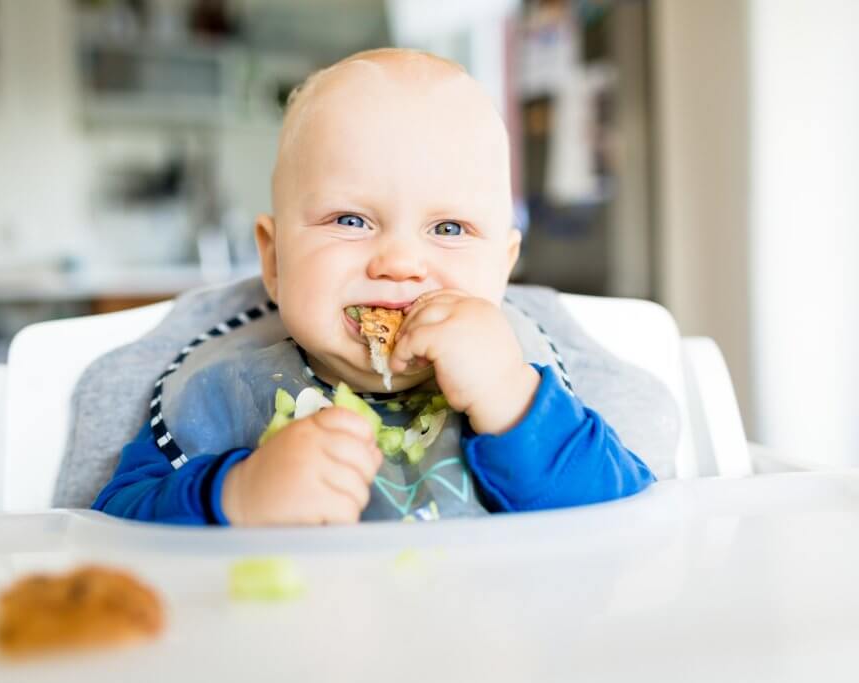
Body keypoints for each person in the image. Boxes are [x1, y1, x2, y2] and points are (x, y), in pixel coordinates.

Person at [90, 48, 657, 526]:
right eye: (351, 220)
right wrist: (235, 495)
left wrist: (510, 401)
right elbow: (115, 524)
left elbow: (625, 523)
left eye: (450, 228)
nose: (400, 262)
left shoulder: (528, 389)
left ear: (502, 269)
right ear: (276, 261)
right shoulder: (224, 393)